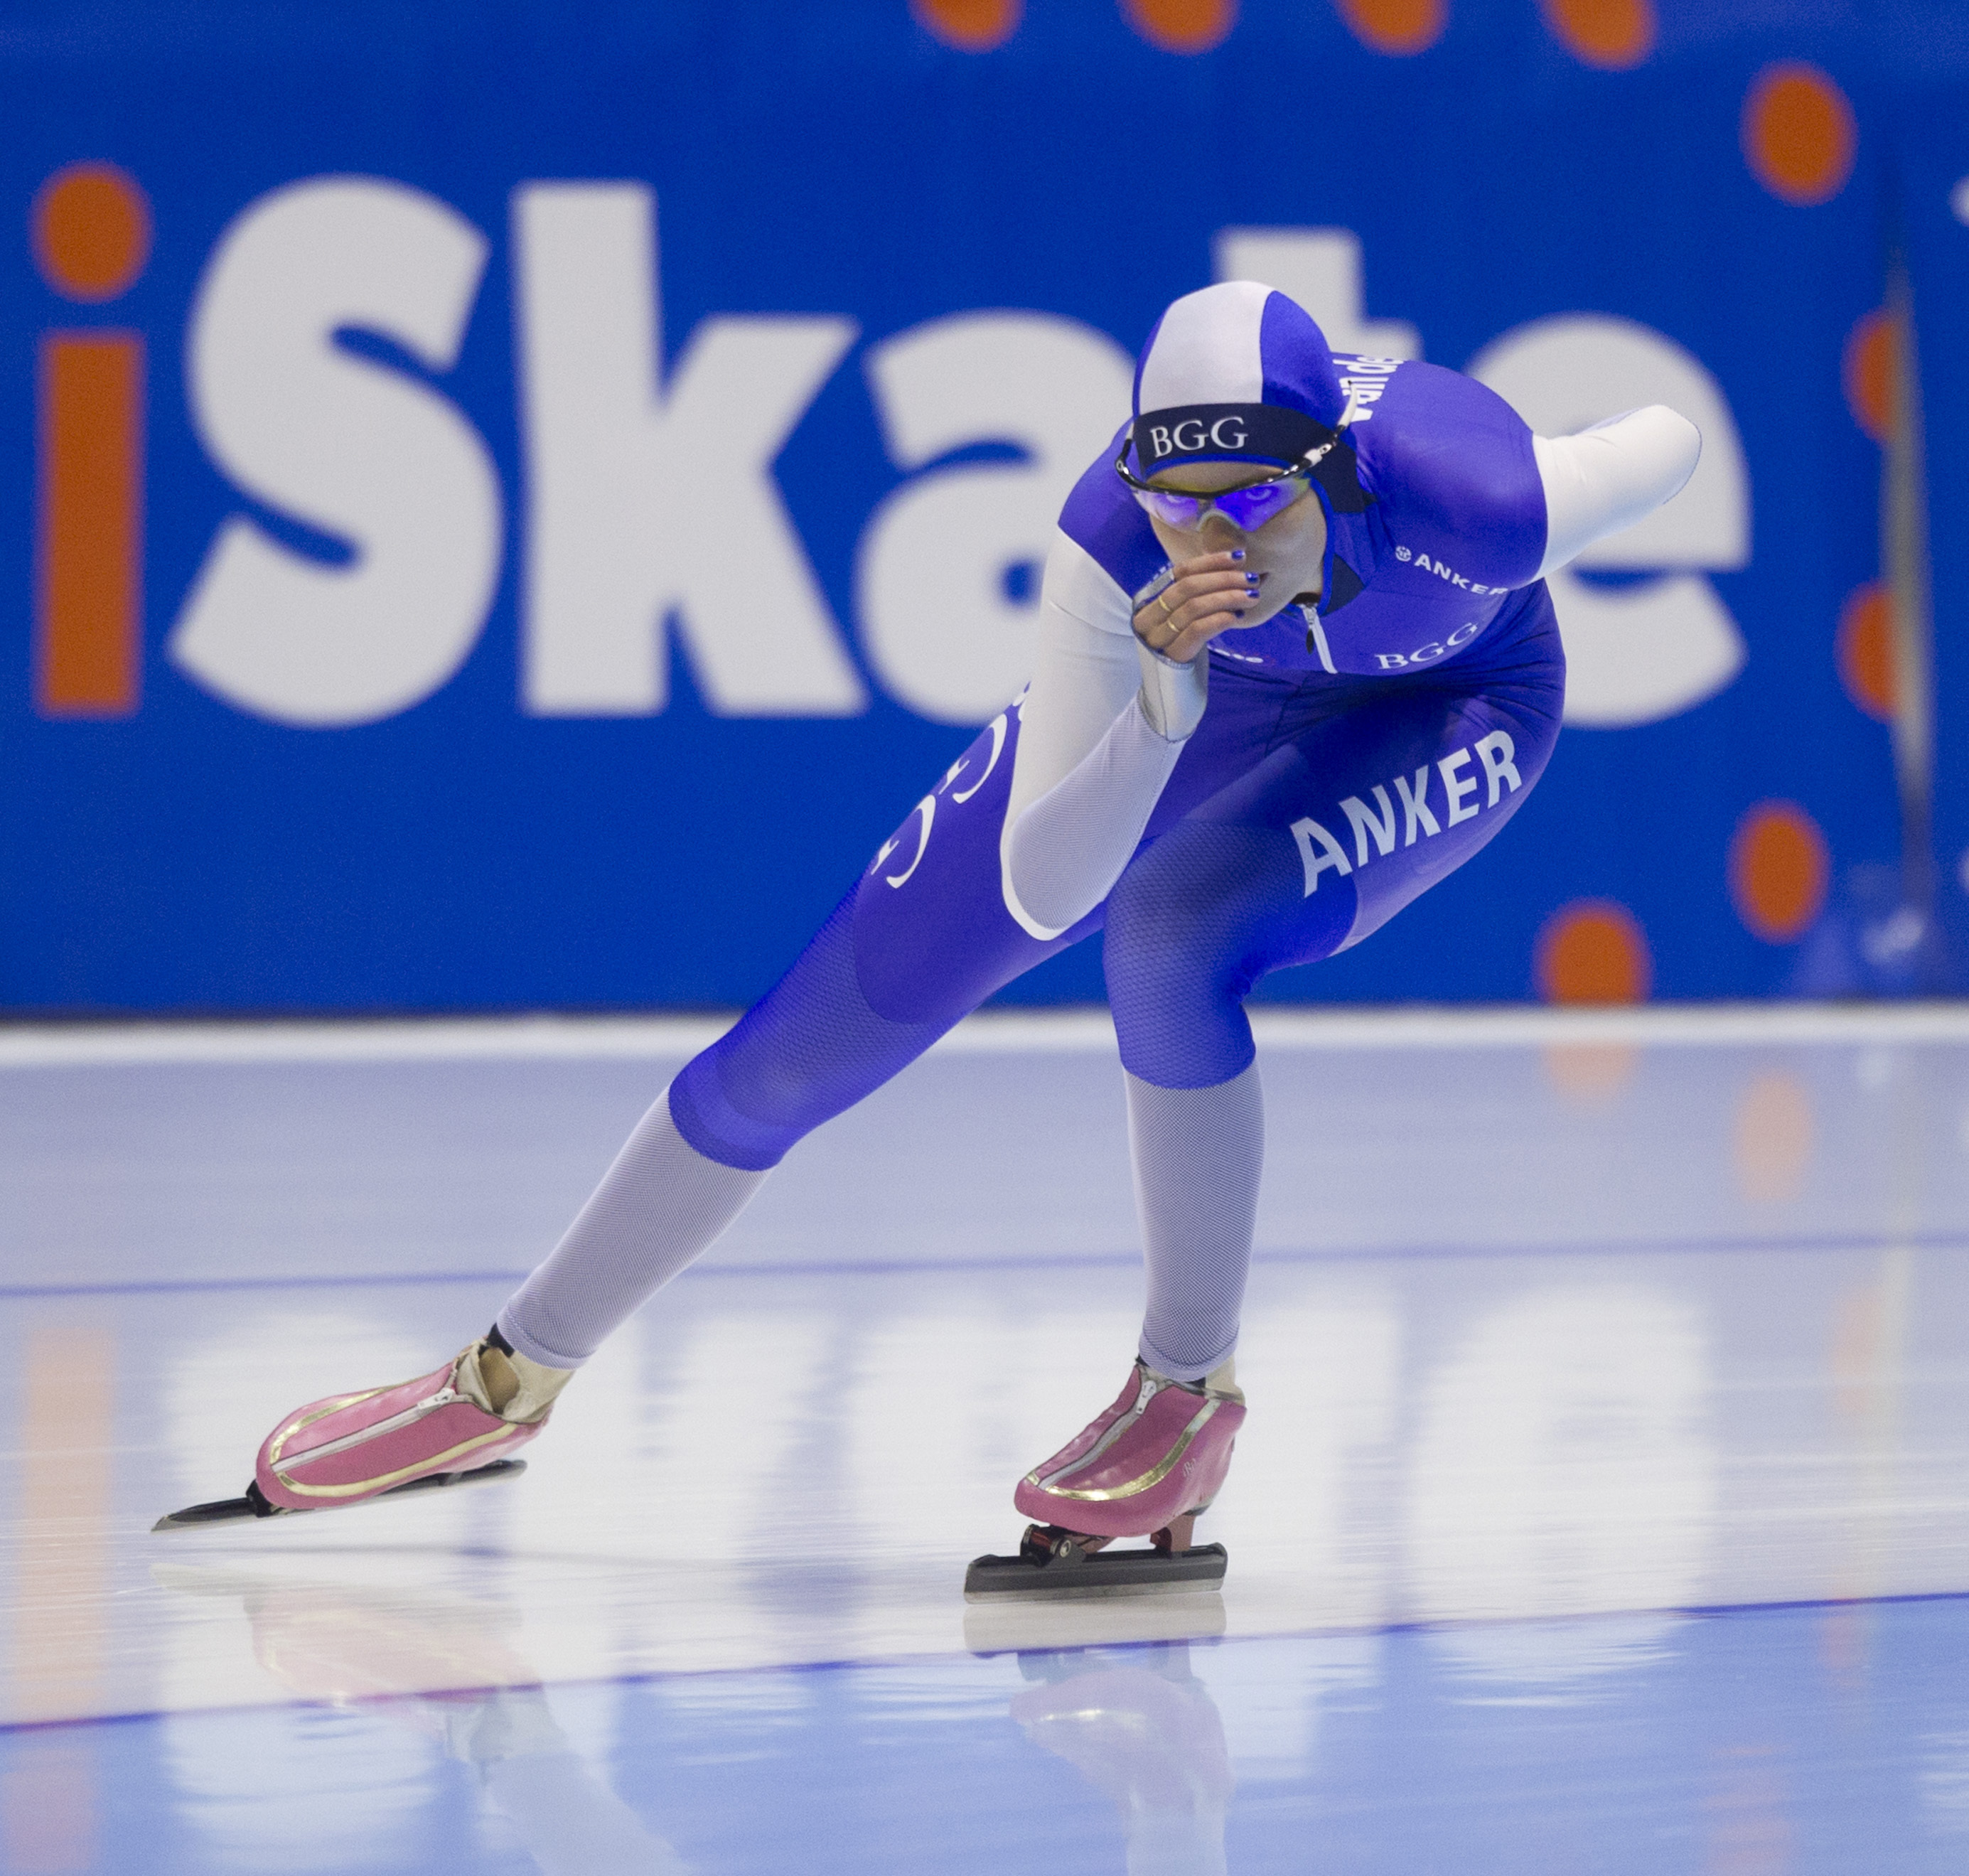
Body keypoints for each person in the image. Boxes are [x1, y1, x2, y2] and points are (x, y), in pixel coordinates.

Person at [197, 283, 1699, 1582]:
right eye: (1178, 507)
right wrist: (1160, 703)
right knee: (802, 1040)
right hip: (1203, 696)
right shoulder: (1114, 552)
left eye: (1254, 507)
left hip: (1447, 702)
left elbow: (1668, 438)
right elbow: (1041, 886)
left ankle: (1184, 1394)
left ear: (1337, 472)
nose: (1214, 553)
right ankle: (503, 1380)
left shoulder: (1476, 500)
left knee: (1169, 939)